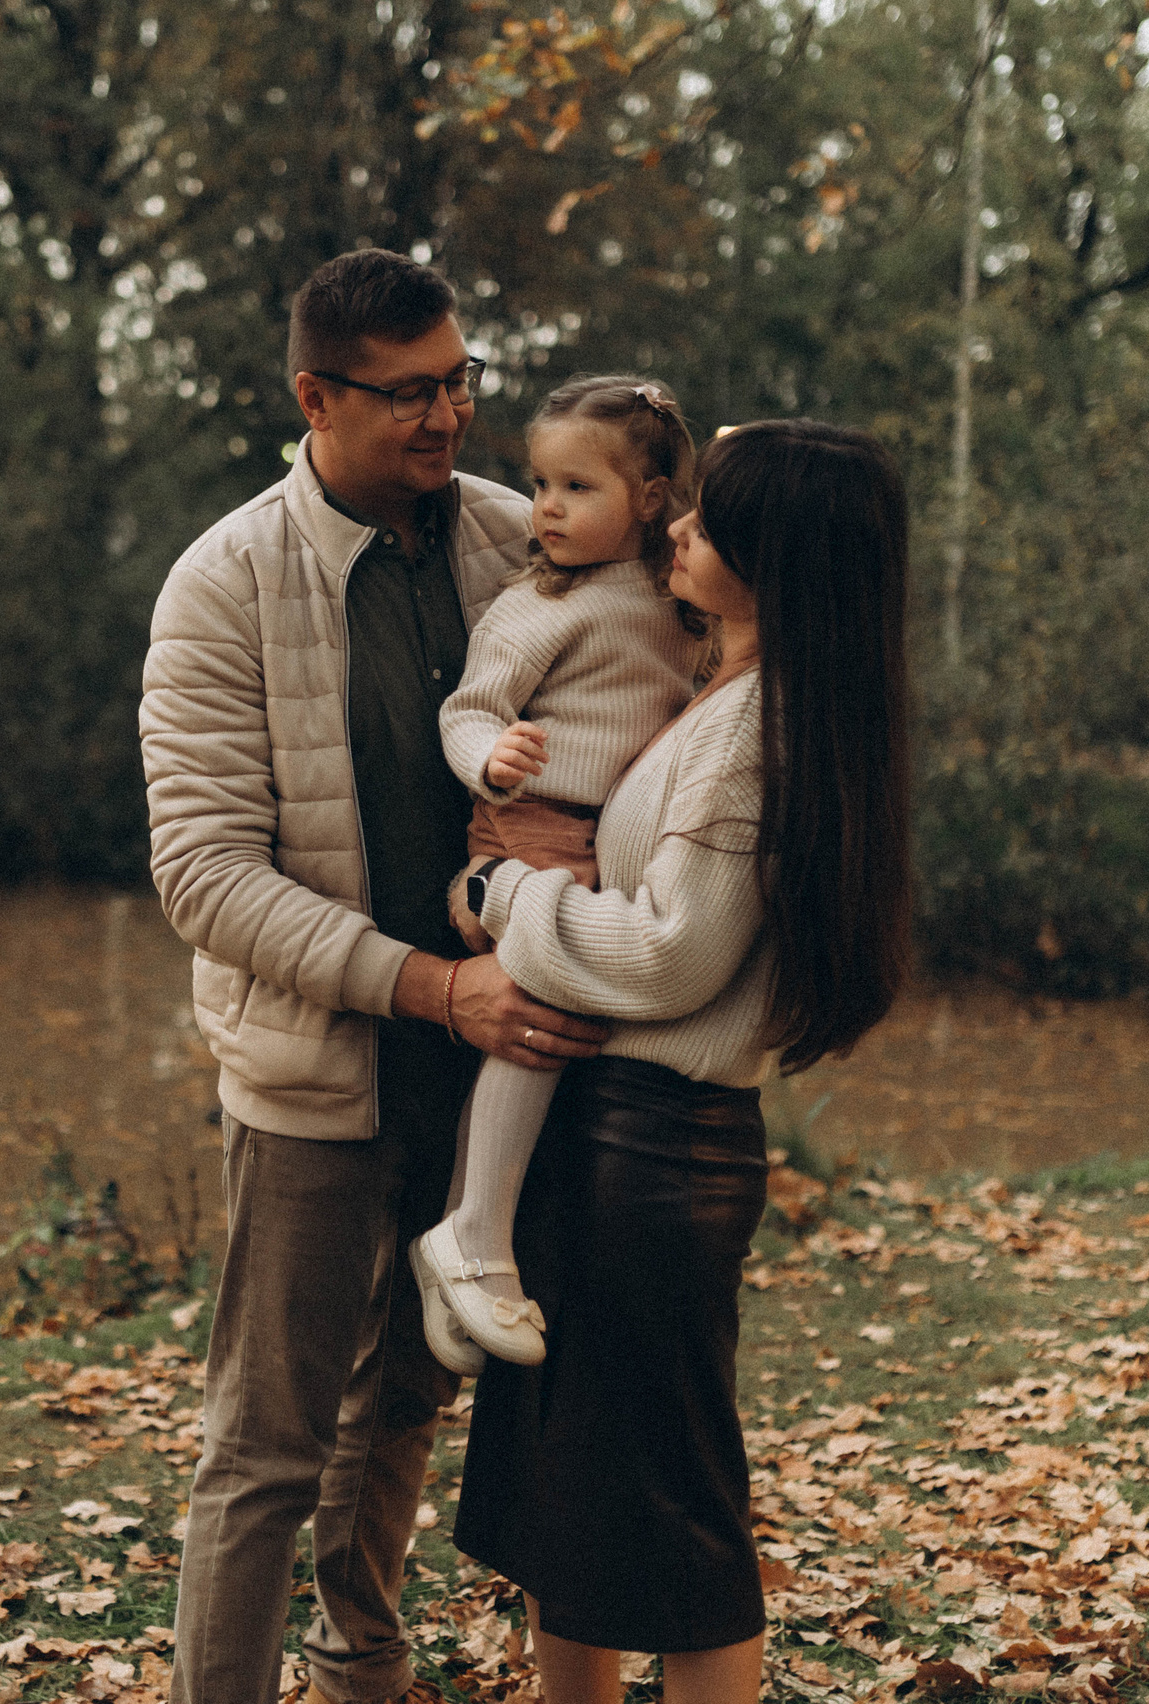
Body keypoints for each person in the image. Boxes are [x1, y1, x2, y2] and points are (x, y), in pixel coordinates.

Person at [140, 249, 608, 1704]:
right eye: (409, 393)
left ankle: (361, 1667)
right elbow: (203, 876)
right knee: (264, 1445)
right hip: (317, 1072)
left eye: (460, 381)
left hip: (490, 1064)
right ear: (315, 399)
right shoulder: (222, 582)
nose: (447, 416)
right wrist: (429, 987)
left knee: (406, 1394)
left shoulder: (522, 539)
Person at [451, 420, 914, 1702]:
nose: (679, 529)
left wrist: (504, 895)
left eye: (710, 519)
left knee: (671, 1504)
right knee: (566, 1494)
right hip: (611, 1136)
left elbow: (667, 958)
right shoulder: (722, 690)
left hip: (650, 1151)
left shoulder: (755, 731)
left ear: (776, 558)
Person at [410, 374, 704, 1370]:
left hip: (614, 838)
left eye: (577, 487)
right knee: (542, 1015)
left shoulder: (677, 596)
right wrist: (489, 759)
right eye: (540, 484)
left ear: (652, 500)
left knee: (580, 1016)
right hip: (532, 825)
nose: (546, 508)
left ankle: (466, 1245)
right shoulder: (538, 604)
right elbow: (467, 709)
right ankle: (474, 1234)